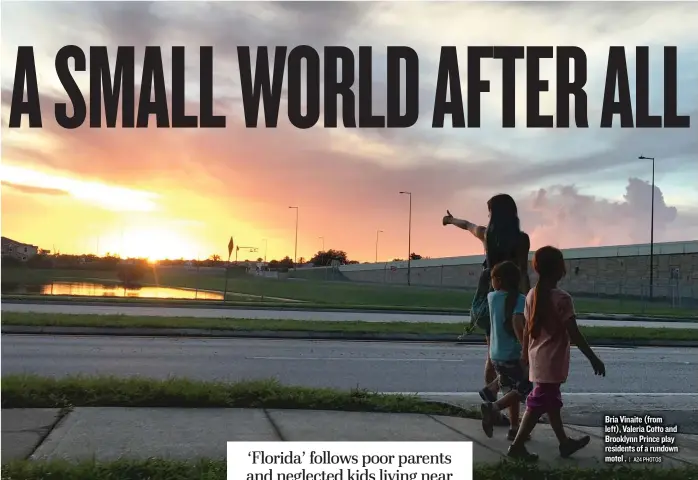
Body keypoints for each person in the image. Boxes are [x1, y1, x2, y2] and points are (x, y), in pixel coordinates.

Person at [508, 246, 606, 461]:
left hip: (538, 358)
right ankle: (517, 447)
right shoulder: (562, 298)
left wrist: (525, 354)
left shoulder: (532, 294)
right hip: (551, 361)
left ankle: (564, 443)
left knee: (550, 402)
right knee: (538, 403)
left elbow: (526, 329)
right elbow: (575, 334)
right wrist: (593, 358)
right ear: (560, 268)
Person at [443, 194, 531, 419]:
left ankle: (495, 407)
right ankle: (511, 418)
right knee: (517, 357)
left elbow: (467, 225)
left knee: (493, 354)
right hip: (515, 301)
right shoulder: (522, 240)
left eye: (490, 212)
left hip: (492, 299)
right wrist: (529, 300)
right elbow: (523, 272)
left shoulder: (486, 235)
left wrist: (450, 221)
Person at [479, 260, 533, 441]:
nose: (491, 282)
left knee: (511, 390)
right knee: (526, 387)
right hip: (512, 354)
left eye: (493, 278)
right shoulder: (520, 299)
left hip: (495, 355)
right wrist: (526, 351)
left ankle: (514, 427)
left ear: (499, 281)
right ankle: (493, 406)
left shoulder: (491, 297)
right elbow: (518, 325)